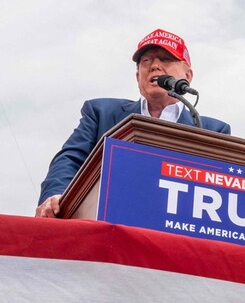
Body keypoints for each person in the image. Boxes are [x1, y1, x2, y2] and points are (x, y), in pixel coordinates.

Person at [36, 29, 232, 217]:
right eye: (146, 61)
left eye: (166, 59)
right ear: (138, 76)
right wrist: (56, 196)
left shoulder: (213, 130)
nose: (154, 66)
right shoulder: (101, 113)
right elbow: (70, 159)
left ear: (187, 76)